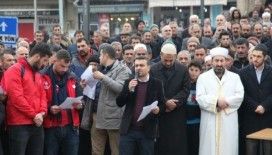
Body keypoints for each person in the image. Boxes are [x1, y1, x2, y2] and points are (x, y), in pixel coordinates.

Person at [3, 43, 52, 155]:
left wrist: (42, 113)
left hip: (37, 124)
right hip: (19, 124)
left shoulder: (38, 74)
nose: (45, 64)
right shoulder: (14, 70)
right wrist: (34, 115)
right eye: (44, 60)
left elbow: (43, 96)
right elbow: (17, 98)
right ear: (37, 57)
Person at [196, 47, 244, 155]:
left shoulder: (235, 77)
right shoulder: (203, 78)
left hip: (228, 119)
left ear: (226, 61)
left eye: (221, 60)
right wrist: (216, 102)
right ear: (212, 61)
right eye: (216, 61)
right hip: (209, 120)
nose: (219, 64)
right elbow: (200, 98)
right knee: (209, 148)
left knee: (228, 148)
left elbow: (239, 96)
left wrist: (225, 101)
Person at [117, 57, 165, 155]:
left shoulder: (157, 83)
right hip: (128, 130)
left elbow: (163, 104)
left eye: (142, 65)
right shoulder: (129, 82)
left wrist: (158, 109)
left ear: (148, 68)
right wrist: (128, 90)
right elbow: (119, 102)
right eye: (137, 65)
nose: (138, 68)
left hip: (147, 131)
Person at [150, 42, 190, 155]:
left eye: (171, 60)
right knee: (161, 145)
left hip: (177, 113)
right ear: (161, 55)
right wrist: (166, 102)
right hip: (160, 113)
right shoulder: (153, 69)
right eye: (165, 60)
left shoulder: (183, 69)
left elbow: (186, 89)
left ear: (175, 57)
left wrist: (174, 103)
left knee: (177, 145)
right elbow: (152, 90)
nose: (168, 63)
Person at [92, 43, 131, 155]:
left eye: (100, 55)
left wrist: (103, 77)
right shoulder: (101, 68)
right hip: (97, 114)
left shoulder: (123, 70)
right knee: (96, 151)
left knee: (116, 150)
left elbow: (120, 88)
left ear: (105, 55)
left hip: (114, 117)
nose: (99, 58)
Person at [41, 50, 83, 155]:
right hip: (50, 127)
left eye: (67, 66)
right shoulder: (42, 76)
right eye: (62, 66)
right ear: (54, 61)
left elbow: (81, 98)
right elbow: (37, 100)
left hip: (71, 126)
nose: (65, 69)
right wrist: (49, 108)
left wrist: (80, 105)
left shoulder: (72, 77)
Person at [239, 44, 272, 155]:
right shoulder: (243, 72)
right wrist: (255, 106)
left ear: (265, 57)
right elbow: (242, 93)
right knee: (251, 149)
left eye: (258, 57)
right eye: (253, 56)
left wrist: (264, 106)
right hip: (250, 117)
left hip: (268, 116)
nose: (255, 59)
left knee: (268, 149)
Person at [186, 61, 202, 155]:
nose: (193, 72)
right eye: (191, 70)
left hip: (197, 121)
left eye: (196, 70)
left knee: (195, 145)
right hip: (184, 120)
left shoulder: (201, 85)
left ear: (200, 72)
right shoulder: (184, 83)